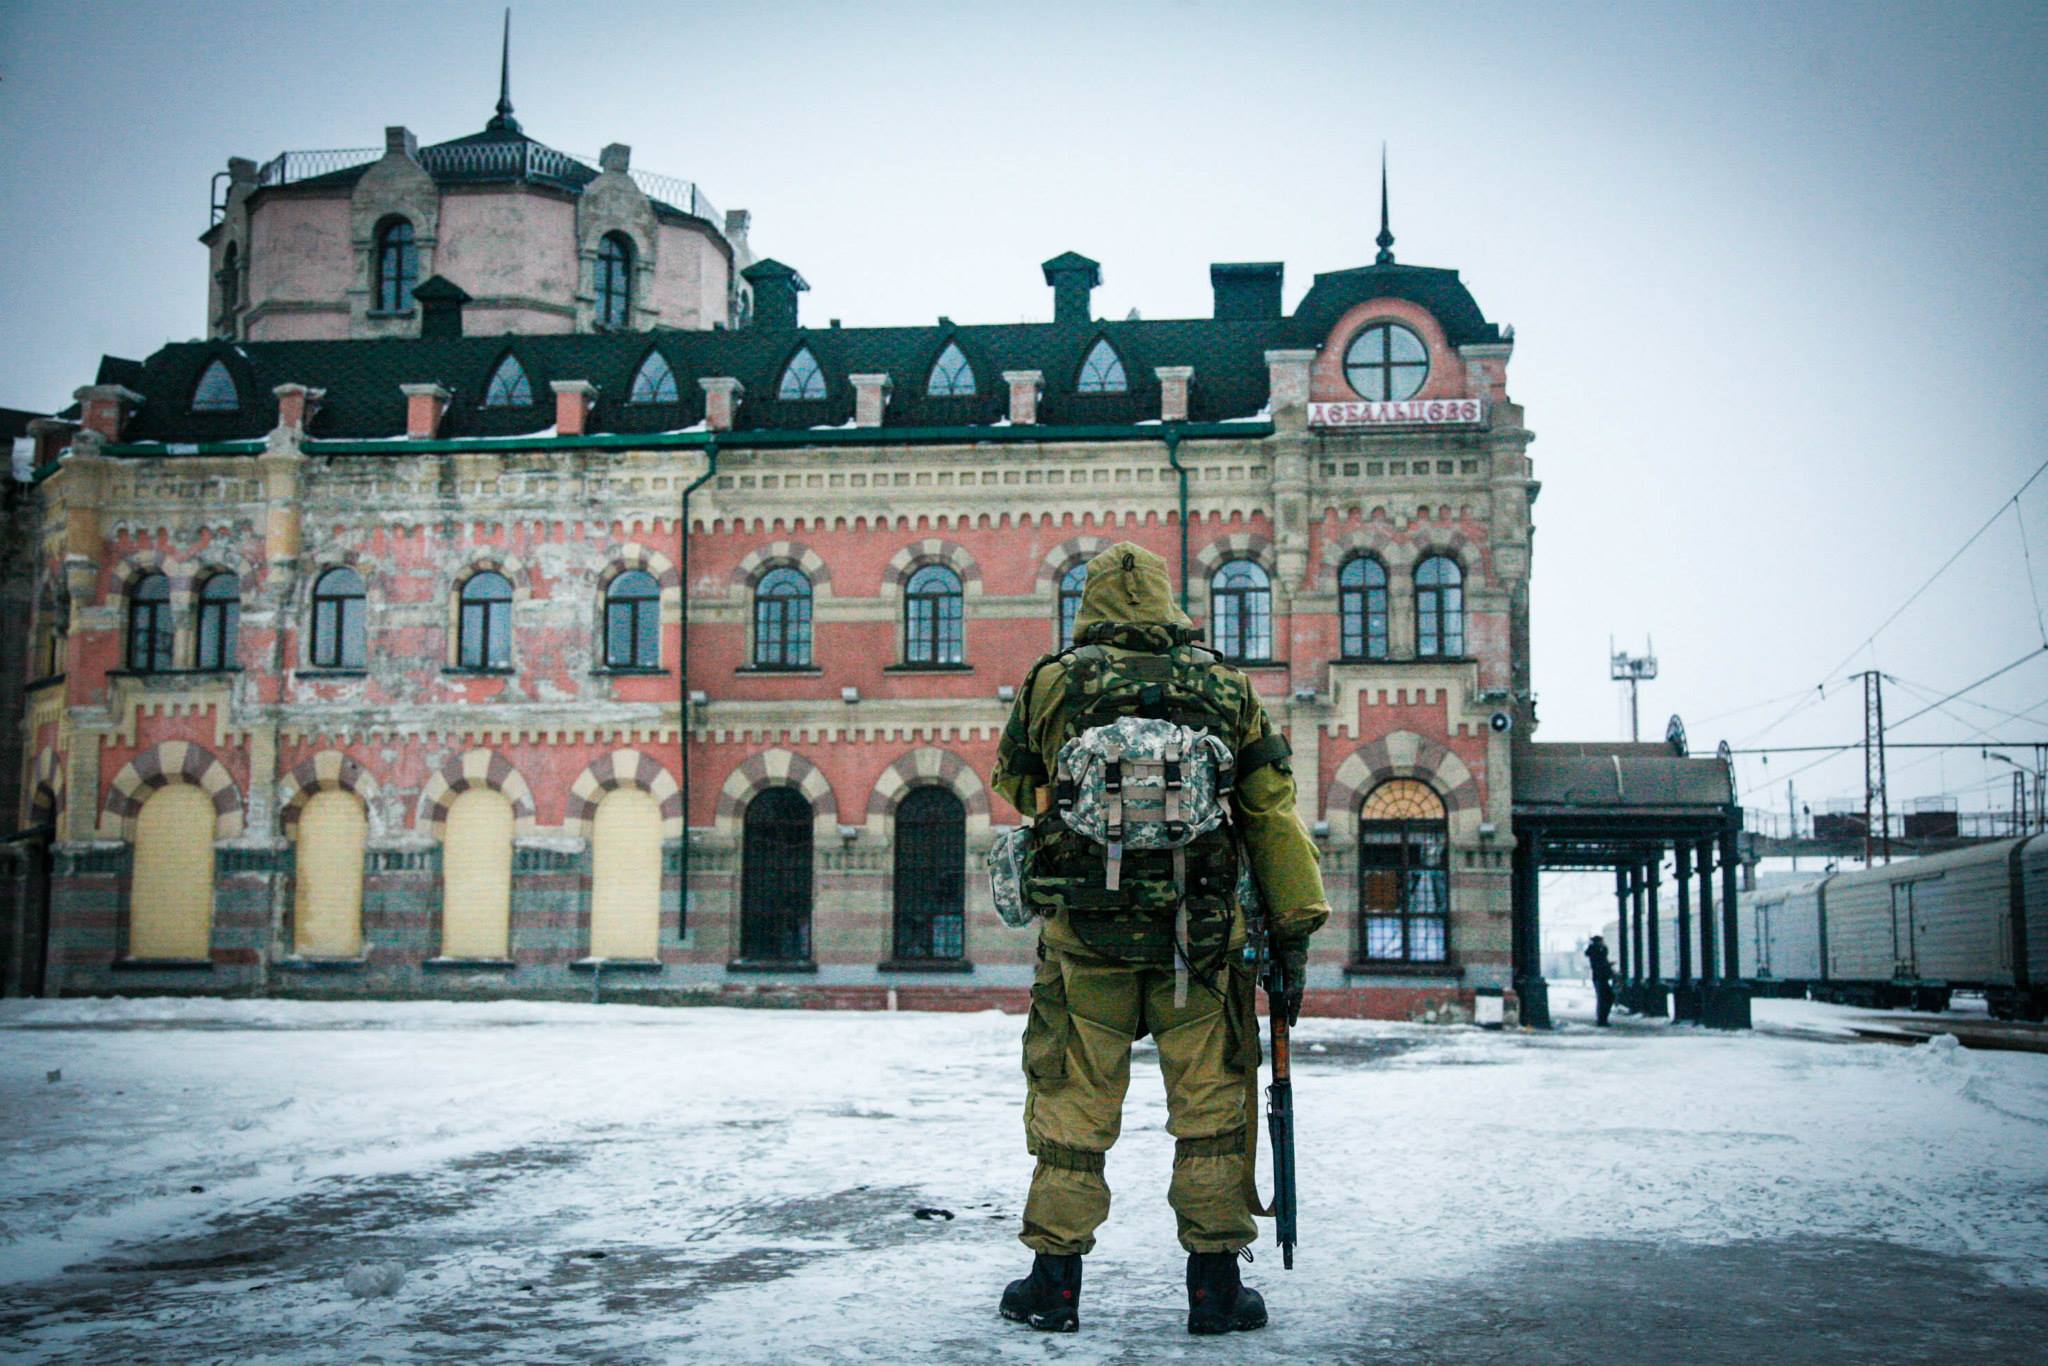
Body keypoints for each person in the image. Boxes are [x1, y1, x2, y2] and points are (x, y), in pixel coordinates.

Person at [990, 543, 1330, 1336]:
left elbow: (1014, 780)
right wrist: (1294, 934)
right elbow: (1271, 813)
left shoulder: (1054, 680)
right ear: (1168, 605)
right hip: (1203, 946)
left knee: (1073, 1107)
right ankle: (1214, 1290)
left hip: (1087, 943)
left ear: (1093, 607)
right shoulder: (1225, 684)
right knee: (1212, 1112)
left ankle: (1055, 1286)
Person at [1586, 934, 1615, 1026]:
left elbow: (1601, 963)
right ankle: (1602, 1020)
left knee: (1605, 998)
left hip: (1601, 978)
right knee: (1605, 998)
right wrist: (1608, 966)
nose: (1603, 943)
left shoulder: (1595, 952)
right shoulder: (1596, 952)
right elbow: (1600, 964)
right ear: (1598, 942)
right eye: (1601, 941)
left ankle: (1602, 1019)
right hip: (1600, 978)